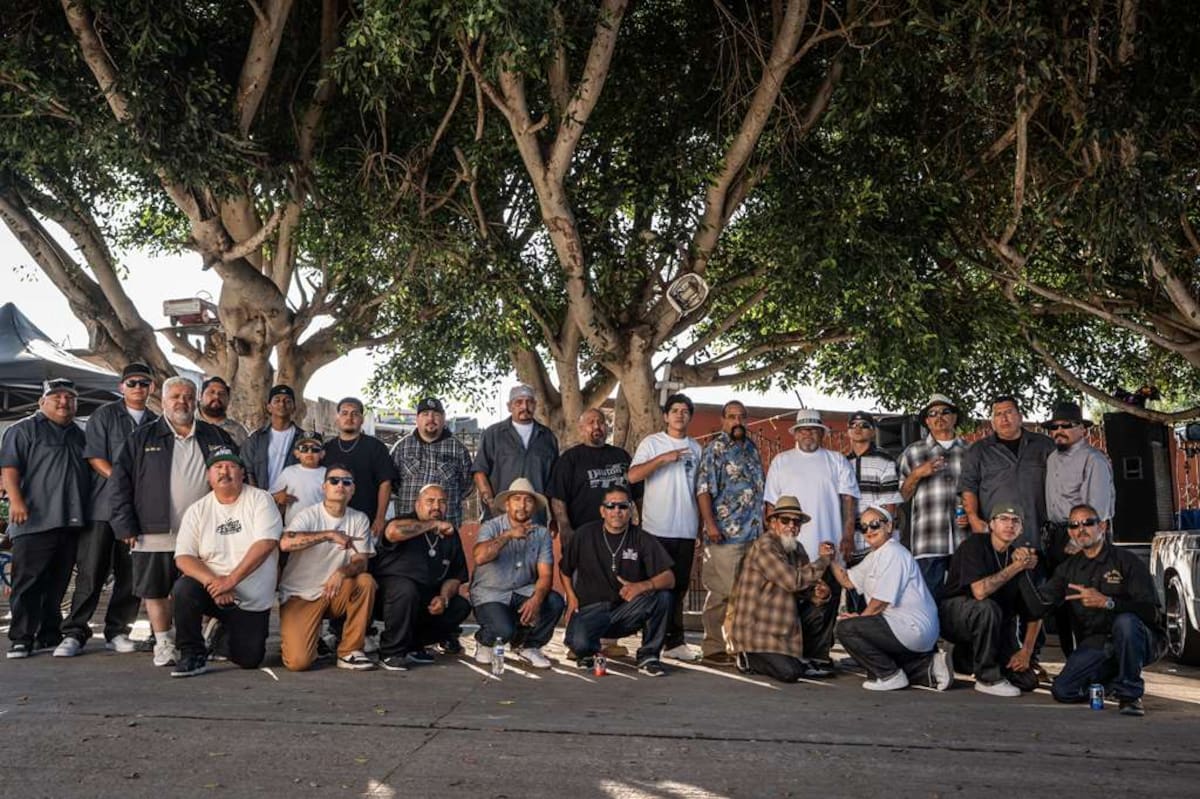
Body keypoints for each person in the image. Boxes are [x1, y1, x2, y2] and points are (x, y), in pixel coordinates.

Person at [110, 376, 234, 667]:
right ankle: (164, 642)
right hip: (153, 531)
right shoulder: (141, 437)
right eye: (175, 396)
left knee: (197, 590)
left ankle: (192, 640)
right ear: (163, 401)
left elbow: (235, 477)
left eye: (188, 397)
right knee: (155, 590)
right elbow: (119, 483)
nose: (182, 402)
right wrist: (124, 524)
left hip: (204, 533)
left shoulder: (215, 436)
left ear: (196, 400)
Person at [57, 364, 157, 657]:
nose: (138, 388)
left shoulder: (156, 421)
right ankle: (74, 633)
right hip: (102, 507)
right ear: (121, 386)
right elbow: (95, 457)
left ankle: (117, 632)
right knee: (91, 572)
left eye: (143, 383)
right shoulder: (104, 415)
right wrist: (124, 482)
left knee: (130, 575)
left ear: (151, 387)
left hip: (139, 511)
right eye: (132, 383)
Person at [1033, 504, 1165, 716]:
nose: (1081, 529)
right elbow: (1038, 604)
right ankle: (1110, 684)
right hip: (1099, 643)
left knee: (1126, 623)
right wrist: (1022, 567)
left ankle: (1130, 696)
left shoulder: (1127, 561)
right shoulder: (1067, 569)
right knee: (1063, 690)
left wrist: (1109, 602)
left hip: (1140, 639)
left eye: (1088, 523)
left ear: (1102, 526)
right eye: (1074, 525)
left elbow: (1152, 613)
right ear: (1070, 533)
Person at [170, 448, 282, 677]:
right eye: (218, 467)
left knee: (249, 659)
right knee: (184, 589)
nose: (224, 471)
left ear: (242, 473)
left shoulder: (261, 499)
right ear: (208, 476)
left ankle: (221, 632)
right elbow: (183, 557)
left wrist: (230, 581)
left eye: (231, 466)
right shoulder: (197, 510)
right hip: (214, 590)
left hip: (250, 600)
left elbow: (266, 543)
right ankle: (192, 654)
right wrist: (215, 583)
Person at [1, 378, 90, 659]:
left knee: (57, 582)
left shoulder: (80, 434)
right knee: (28, 581)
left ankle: (49, 633)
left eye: (70, 398)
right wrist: (16, 501)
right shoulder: (22, 430)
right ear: (42, 401)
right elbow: (9, 469)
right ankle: (21, 638)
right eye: (57, 397)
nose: (64, 402)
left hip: (71, 521)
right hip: (34, 519)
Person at [762, 408, 858, 668]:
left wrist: (848, 534)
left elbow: (849, 499)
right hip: (790, 548)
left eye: (814, 430)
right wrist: (773, 541)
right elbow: (771, 506)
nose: (808, 434)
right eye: (803, 429)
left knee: (827, 600)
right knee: (792, 602)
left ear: (821, 433)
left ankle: (820, 655)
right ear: (796, 433)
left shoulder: (836, 460)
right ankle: (793, 653)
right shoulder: (781, 461)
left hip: (828, 547)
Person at [829, 506, 952, 691]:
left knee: (847, 629)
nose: (869, 530)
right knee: (870, 663)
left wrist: (859, 622)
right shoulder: (875, 556)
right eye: (863, 527)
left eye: (874, 524)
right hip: (900, 628)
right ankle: (930, 669)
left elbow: (879, 603)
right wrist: (830, 558)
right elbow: (847, 581)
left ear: (888, 526)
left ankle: (890, 676)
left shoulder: (894, 552)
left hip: (912, 627)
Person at [560, 485, 675, 677]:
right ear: (602, 511)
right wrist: (570, 597)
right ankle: (589, 650)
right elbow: (565, 570)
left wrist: (642, 586)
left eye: (622, 506)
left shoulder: (641, 538)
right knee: (579, 645)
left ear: (630, 510)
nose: (616, 511)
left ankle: (649, 656)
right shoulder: (584, 534)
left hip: (625, 611)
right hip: (591, 610)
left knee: (663, 596)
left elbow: (669, 578)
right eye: (611, 506)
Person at [277, 464, 377, 672]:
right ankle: (304, 639)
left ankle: (350, 650)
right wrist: (329, 535)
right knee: (298, 662)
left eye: (346, 482)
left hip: (333, 591)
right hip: (300, 595)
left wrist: (341, 572)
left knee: (365, 582)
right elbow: (286, 543)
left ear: (353, 489)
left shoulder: (359, 519)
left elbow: (361, 562)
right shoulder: (307, 515)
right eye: (334, 481)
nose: (340, 485)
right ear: (324, 487)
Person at [726, 496, 835, 683]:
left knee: (826, 601)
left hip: (783, 627)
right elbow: (792, 581)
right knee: (789, 673)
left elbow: (803, 586)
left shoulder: (797, 548)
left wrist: (818, 593)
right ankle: (747, 658)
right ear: (773, 523)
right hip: (758, 632)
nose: (791, 526)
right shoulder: (765, 546)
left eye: (796, 522)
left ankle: (813, 658)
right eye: (785, 520)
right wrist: (823, 560)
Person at [628, 393, 703, 662]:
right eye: (675, 410)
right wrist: (662, 459)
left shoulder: (697, 449)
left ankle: (675, 643)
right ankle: (651, 645)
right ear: (665, 416)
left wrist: (700, 529)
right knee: (656, 588)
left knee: (679, 588)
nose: (680, 415)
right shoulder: (652, 443)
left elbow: (700, 491)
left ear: (690, 416)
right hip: (656, 529)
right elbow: (632, 476)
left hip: (685, 530)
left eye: (685, 411)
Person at [937, 505, 1042, 697]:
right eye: (1003, 519)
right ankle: (987, 678)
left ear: (1021, 529)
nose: (1009, 525)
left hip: (994, 626)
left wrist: (1026, 652)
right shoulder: (975, 545)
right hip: (955, 615)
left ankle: (962, 659)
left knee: (1026, 681)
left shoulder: (1020, 557)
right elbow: (980, 592)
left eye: (1015, 521)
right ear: (991, 524)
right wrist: (1016, 567)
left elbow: (1035, 613)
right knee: (986, 608)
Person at [1041, 401, 1115, 657]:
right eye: (1054, 427)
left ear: (1082, 429)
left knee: (1086, 605)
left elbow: (1098, 506)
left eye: (1066, 426)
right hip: (1056, 536)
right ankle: (1073, 663)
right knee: (1062, 604)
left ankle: (1094, 666)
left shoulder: (1094, 460)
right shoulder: (1052, 459)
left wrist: (1078, 540)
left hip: (1084, 537)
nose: (1059, 431)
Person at [469, 478, 565, 669]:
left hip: (522, 590)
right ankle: (485, 641)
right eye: (517, 499)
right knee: (503, 631)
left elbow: (546, 575)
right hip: (490, 593)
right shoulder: (491, 526)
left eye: (528, 500)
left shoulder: (541, 534)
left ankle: (529, 646)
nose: (522, 505)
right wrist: (508, 535)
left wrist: (536, 599)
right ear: (507, 504)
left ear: (534, 507)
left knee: (554, 601)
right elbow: (479, 557)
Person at [695, 400, 764, 663]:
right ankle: (713, 648)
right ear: (723, 420)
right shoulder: (715, 449)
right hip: (725, 534)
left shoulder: (752, 449)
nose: (737, 421)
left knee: (746, 594)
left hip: (753, 534)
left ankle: (738, 646)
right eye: (732, 416)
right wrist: (710, 525)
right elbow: (703, 490)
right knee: (722, 592)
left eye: (742, 416)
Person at [375, 484, 471, 670]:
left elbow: (455, 576)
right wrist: (433, 524)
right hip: (389, 596)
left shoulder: (450, 534)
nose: (436, 506)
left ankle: (413, 645)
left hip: (426, 597)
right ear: (417, 504)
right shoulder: (404, 521)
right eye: (430, 501)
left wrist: (443, 597)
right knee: (406, 589)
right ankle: (391, 652)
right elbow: (393, 532)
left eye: (442, 502)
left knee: (460, 606)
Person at [898, 394, 969, 598]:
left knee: (962, 602)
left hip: (964, 540)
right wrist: (917, 474)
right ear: (927, 421)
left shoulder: (970, 451)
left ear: (955, 417)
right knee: (928, 602)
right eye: (933, 413)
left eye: (945, 412)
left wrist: (972, 514)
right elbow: (902, 496)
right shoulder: (913, 452)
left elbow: (980, 492)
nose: (939, 417)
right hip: (928, 540)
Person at [959, 396, 1055, 536]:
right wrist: (973, 519)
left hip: (1038, 531)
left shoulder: (1045, 445)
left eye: (1009, 412)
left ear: (1020, 417)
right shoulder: (978, 450)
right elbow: (968, 487)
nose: (1004, 418)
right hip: (995, 535)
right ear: (993, 422)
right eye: (998, 414)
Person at [843, 410, 902, 613]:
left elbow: (890, 505)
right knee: (854, 600)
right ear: (848, 431)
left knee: (878, 600)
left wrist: (881, 541)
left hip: (876, 541)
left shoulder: (885, 461)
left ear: (873, 431)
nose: (858, 429)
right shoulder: (841, 462)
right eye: (854, 425)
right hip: (851, 543)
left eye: (864, 425)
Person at [548, 408, 636, 541]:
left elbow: (638, 492)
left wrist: (642, 522)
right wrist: (565, 527)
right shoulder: (569, 459)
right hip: (582, 535)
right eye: (591, 422)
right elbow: (558, 497)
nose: (596, 426)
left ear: (606, 427)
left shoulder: (621, 455)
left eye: (601, 422)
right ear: (581, 429)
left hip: (621, 534)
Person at [472, 385, 559, 521]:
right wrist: (491, 503)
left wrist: (554, 517)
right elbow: (479, 472)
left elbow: (554, 480)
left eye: (529, 402)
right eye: (519, 402)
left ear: (535, 405)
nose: (525, 407)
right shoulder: (493, 434)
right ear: (509, 406)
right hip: (499, 517)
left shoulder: (547, 437)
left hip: (535, 518)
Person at [391, 397, 474, 527]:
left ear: (443, 418)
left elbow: (467, 487)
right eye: (425, 414)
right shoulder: (401, 448)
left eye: (436, 414)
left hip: (446, 527)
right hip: (408, 528)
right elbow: (392, 485)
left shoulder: (458, 449)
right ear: (417, 419)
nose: (431, 419)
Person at [326, 397, 395, 541]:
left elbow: (385, 483)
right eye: (344, 413)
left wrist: (380, 518)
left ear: (362, 419)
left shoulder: (376, 447)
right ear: (337, 418)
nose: (349, 418)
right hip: (330, 521)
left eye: (355, 413)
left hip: (367, 521)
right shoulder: (327, 449)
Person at [242, 384, 302, 490]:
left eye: (287, 401)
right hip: (260, 497)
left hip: (293, 497)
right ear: (269, 407)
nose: (282, 404)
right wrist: (259, 496)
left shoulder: (303, 439)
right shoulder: (256, 439)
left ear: (294, 408)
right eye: (277, 400)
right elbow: (247, 470)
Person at [268, 431, 327, 526]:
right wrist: (278, 497)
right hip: (293, 527)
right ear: (297, 453)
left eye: (315, 449)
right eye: (304, 448)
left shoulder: (327, 474)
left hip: (319, 527)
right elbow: (270, 495)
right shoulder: (289, 472)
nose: (309, 452)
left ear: (322, 454)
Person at [196, 375, 248, 447]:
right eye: (212, 392)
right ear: (200, 396)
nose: (216, 396)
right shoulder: (189, 424)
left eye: (222, 393)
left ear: (228, 399)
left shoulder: (238, 431)